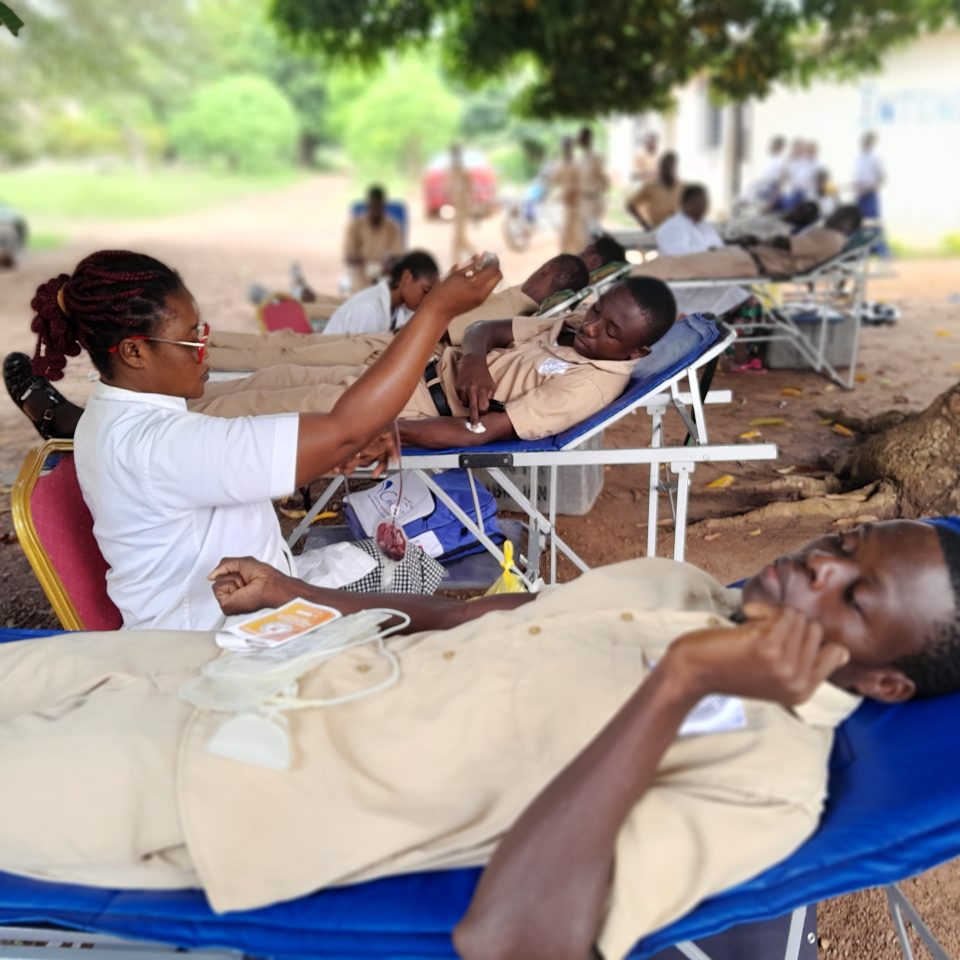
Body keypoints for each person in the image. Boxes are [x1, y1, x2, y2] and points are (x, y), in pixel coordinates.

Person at [2, 521, 959, 960]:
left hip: (210, 782)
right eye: (846, 543)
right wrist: (307, 594)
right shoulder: (682, 588)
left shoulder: (767, 782)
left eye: (855, 596)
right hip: (218, 663)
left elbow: (513, 941)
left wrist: (681, 683)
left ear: (884, 683)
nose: (819, 564)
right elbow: (486, 617)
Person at [19, 250, 501, 632]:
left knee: (408, 569)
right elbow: (346, 428)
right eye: (191, 339)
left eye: (202, 331)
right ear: (134, 351)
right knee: (421, 610)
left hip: (233, 599)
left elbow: (321, 442)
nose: (205, 349)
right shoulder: (162, 445)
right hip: (214, 638)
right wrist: (436, 311)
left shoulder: (109, 417)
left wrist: (329, 452)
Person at [189, 277, 676, 449]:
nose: (590, 328)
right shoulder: (574, 326)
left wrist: (380, 429)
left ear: (637, 352)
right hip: (412, 370)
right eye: (596, 312)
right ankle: (164, 405)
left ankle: (160, 431)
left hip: (411, 405)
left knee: (261, 406)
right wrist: (474, 361)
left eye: (611, 332)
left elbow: (478, 433)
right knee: (278, 375)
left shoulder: (587, 386)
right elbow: (486, 329)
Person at [197, 254, 590, 372]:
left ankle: (199, 348)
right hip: (389, 345)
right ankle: (203, 340)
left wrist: (451, 288)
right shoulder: (523, 312)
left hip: (387, 351)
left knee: (286, 355)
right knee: (287, 346)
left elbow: (438, 324)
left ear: (547, 272)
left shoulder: (511, 305)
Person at [633, 206, 862, 283]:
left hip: (750, 262)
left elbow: (789, 244)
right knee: (686, 262)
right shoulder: (830, 237)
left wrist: (765, 239)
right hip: (748, 257)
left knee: (685, 265)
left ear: (846, 221)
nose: (831, 216)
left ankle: (630, 276)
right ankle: (633, 274)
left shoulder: (832, 238)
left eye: (837, 214)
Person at [323, 250, 439, 336]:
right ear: (406, 278)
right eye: (425, 290)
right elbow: (358, 354)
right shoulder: (368, 308)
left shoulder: (401, 309)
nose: (426, 298)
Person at [343, 185, 405, 293]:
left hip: (385, 277)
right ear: (368, 205)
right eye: (373, 205)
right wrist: (358, 260)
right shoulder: (355, 226)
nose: (376, 209)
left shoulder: (393, 227)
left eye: (379, 206)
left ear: (383, 206)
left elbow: (398, 255)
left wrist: (389, 263)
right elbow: (348, 257)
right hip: (361, 278)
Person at [654, 184, 723, 256]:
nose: (703, 206)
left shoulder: (705, 225)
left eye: (705, 202)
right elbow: (678, 254)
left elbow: (719, 247)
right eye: (699, 202)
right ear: (686, 203)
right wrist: (710, 250)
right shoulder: (673, 226)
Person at [853, 131, 890, 257]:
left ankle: (882, 250)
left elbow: (882, 178)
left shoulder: (876, 158)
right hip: (860, 194)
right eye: (864, 140)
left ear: (872, 142)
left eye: (868, 140)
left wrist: (870, 187)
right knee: (860, 223)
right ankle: (864, 250)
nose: (865, 142)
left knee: (873, 222)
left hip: (870, 195)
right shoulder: (859, 158)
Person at [625, 151, 682, 230]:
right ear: (661, 169)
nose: (667, 171)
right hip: (657, 232)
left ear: (675, 168)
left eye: (670, 167)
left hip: (678, 232)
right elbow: (630, 205)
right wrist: (644, 224)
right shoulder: (650, 187)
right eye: (665, 168)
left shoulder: (683, 187)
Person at [576, 126, 610, 240]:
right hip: (582, 202)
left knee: (594, 236)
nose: (578, 140)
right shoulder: (579, 158)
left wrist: (596, 193)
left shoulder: (597, 157)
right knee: (583, 238)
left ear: (587, 138)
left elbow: (604, 181)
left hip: (594, 201)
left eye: (581, 137)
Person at [552, 136, 584, 254]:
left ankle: (580, 255)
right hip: (565, 201)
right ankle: (564, 255)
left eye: (568, 145)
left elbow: (582, 181)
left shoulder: (578, 162)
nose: (567, 148)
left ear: (572, 147)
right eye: (565, 146)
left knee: (577, 230)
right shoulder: (559, 163)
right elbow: (555, 180)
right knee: (565, 230)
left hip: (578, 200)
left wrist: (576, 192)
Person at [448, 144, 475, 266]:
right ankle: (455, 263)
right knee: (458, 239)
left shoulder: (463, 171)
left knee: (460, 239)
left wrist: (464, 199)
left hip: (463, 207)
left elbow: (470, 188)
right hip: (458, 207)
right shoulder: (453, 171)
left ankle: (478, 258)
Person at [752, 135, 787, 210]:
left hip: (770, 192)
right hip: (762, 190)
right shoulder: (771, 160)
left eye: (773, 145)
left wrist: (772, 201)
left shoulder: (781, 161)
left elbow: (780, 182)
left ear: (779, 147)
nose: (770, 147)